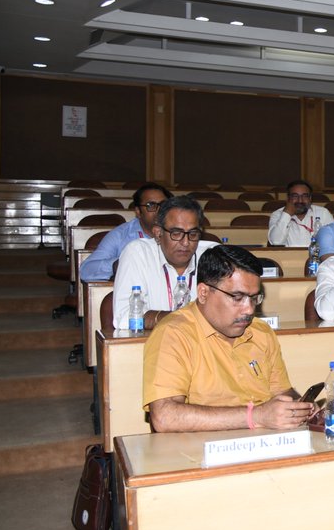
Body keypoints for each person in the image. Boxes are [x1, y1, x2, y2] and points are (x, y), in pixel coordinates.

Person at [142, 245, 313, 433]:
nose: (249, 309)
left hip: (264, 442)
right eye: (237, 297)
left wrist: (300, 407)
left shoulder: (261, 332)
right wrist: (255, 416)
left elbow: (281, 392)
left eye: (254, 298)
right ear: (204, 293)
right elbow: (165, 417)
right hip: (200, 451)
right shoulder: (174, 333)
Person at [112, 196, 218, 330]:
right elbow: (124, 317)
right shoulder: (138, 253)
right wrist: (184, 320)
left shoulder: (212, 255)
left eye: (192, 234)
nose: (185, 242)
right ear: (158, 233)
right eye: (176, 233)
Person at [80, 182, 172, 282]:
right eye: (151, 205)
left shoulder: (179, 233)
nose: (158, 210)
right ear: (138, 211)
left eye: (163, 205)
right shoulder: (120, 235)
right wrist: (120, 264)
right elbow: (86, 271)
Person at [267, 179, 333, 247]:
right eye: (295, 196)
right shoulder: (277, 215)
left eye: (304, 196)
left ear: (310, 198)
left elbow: (333, 241)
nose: (300, 200)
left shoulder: (323, 213)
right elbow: (276, 242)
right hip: (288, 257)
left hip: (317, 256)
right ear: (288, 198)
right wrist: (287, 214)